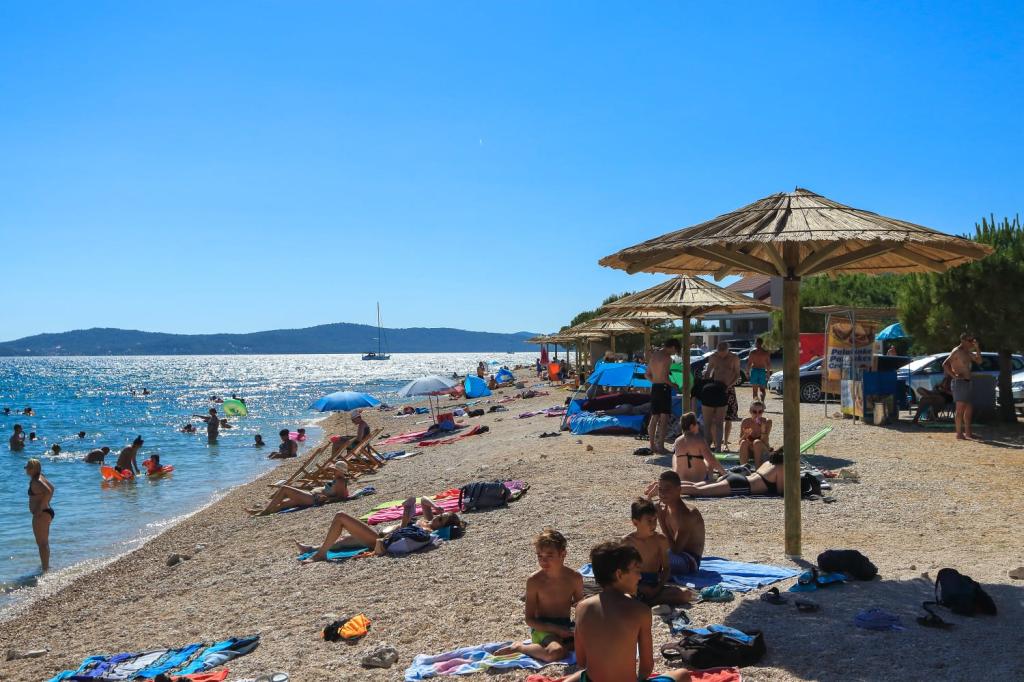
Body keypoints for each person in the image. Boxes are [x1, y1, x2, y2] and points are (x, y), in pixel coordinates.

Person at [562, 542, 690, 682]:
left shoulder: (582, 607)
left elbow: (582, 661)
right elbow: (646, 667)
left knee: (578, 676)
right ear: (619, 574)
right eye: (637, 571)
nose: (640, 577)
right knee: (682, 674)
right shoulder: (640, 611)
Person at [495, 529, 584, 662]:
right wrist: (556, 630)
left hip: (566, 626)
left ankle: (563, 645)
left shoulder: (575, 578)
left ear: (563, 554)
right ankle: (520, 647)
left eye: (549, 555)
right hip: (543, 628)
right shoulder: (534, 581)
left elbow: (581, 608)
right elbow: (529, 619)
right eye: (539, 556)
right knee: (555, 652)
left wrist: (577, 627)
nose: (543, 561)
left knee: (597, 641)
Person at [296, 495, 463, 562]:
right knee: (343, 541)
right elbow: (424, 500)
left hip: (379, 540)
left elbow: (400, 536)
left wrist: (405, 519)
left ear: (442, 526)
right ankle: (312, 548)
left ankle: (320, 555)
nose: (436, 517)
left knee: (341, 517)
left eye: (440, 519)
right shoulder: (428, 519)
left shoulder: (428, 531)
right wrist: (436, 506)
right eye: (439, 515)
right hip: (379, 533)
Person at [622, 499, 695, 607]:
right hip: (634, 585)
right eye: (649, 521)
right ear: (635, 522)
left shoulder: (660, 540)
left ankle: (647, 602)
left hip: (654, 585)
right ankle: (647, 602)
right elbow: (622, 571)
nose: (653, 525)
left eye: (655, 520)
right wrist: (638, 587)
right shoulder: (627, 542)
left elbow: (666, 568)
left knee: (686, 594)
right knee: (625, 597)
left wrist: (658, 587)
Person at [643, 470, 705, 575]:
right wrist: (649, 498)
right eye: (660, 489)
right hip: (673, 554)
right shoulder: (666, 508)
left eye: (667, 489)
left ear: (679, 490)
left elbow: (676, 550)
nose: (662, 493)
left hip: (689, 561)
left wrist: (661, 520)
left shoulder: (687, 514)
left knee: (654, 557)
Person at [677, 449, 785, 498]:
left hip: (737, 477)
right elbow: (781, 491)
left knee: (696, 485)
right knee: (699, 491)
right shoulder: (780, 468)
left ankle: (670, 485)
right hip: (741, 485)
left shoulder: (768, 463)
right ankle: (668, 489)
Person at [250, 465, 350, 515]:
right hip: (310, 496)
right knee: (283, 504)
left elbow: (340, 497)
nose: (333, 471)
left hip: (313, 498)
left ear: (339, 471)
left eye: (335, 470)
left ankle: (265, 512)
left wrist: (326, 499)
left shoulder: (340, 482)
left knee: (284, 489)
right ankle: (263, 511)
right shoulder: (337, 479)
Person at [942, 333, 983, 440]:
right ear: (963, 340)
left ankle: (968, 433)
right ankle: (959, 434)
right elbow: (945, 364)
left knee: (969, 409)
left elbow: (979, 361)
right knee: (960, 409)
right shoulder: (957, 351)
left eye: (973, 340)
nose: (972, 343)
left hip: (968, 382)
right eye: (970, 341)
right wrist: (954, 376)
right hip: (960, 383)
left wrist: (977, 348)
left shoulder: (967, 352)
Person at [644, 338, 681, 455]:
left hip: (655, 387)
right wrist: (674, 385)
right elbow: (665, 378)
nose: (674, 353)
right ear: (673, 347)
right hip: (664, 388)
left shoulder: (654, 356)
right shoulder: (667, 358)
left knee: (654, 417)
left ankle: (652, 445)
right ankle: (660, 446)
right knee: (664, 418)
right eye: (675, 350)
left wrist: (656, 381)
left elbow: (647, 375)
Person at [670, 412, 726, 483]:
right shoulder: (699, 440)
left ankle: (676, 477)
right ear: (691, 426)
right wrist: (725, 474)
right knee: (710, 458)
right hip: (700, 480)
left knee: (675, 456)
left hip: (682, 480)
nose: (698, 426)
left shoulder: (677, 441)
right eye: (696, 424)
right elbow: (711, 460)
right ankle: (710, 479)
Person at [705, 342, 741, 450]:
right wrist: (706, 384)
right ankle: (715, 442)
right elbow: (708, 372)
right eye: (719, 353)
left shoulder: (734, 358)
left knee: (729, 417)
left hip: (728, 388)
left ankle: (725, 442)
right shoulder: (713, 357)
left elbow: (737, 374)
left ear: (727, 350)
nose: (721, 356)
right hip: (715, 388)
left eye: (723, 353)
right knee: (713, 417)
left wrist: (728, 385)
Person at [25, 458, 55, 572]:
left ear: (33, 469)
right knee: (44, 542)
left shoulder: (36, 481)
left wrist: (40, 507)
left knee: (42, 543)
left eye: (28, 467)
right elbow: (52, 488)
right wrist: (46, 503)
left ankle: (45, 569)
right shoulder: (41, 477)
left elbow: (48, 491)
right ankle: (46, 567)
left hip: (41, 514)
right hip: (47, 512)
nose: (26, 469)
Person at [692, 376, 728, 452]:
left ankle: (707, 447)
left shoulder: (695, 387)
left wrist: (695, 420)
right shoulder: (716, 380)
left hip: (707, 393)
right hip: (721, 391)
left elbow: (693, 406)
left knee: (707, 425)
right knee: (719, 424)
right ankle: (718, 448)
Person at [738, 400, 772, 467]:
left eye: (760, 412)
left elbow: (765, 442)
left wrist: (763, 431)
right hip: (750, 451)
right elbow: (740, 442)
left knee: (757, 442)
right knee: (744, 442)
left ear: (763, 412)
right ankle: (743, 469)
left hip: (762, 450)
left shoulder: (767, 422)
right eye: (754, 412)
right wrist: (745, 435)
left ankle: (758, 470)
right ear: (750, 411)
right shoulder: (745, 422)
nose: (757, 414)